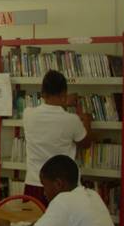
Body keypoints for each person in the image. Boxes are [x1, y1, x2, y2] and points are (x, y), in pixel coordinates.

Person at [22, 70, 92, 205]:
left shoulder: (28, 114)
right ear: (64, 93)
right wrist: (87, 122)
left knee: (33, 218)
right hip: (62, 187)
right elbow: (86, 143)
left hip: (33, 183)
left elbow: (49, 111)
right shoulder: (72, 120)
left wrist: (63, 102)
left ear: (43, 93)